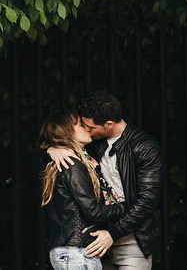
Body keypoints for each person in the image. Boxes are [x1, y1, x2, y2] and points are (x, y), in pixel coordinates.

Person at [46, 91, 162, 270]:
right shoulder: (93, 142)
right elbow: (61, 140)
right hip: (93, 241)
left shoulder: (143, 148)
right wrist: (54, 149)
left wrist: (113, 234)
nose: (86, 129)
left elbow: (147, 202)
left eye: (90, 127)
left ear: (108, 124)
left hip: (130, 240)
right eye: (82, 125)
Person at [38, 111, 128, 270]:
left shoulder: (76, 160)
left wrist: (51, 149)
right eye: (80, 124)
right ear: (66, 131)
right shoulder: (72, 164)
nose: (87, 128)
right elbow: (92, 211)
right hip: (77, 251)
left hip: (72, 250)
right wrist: (125, 206)